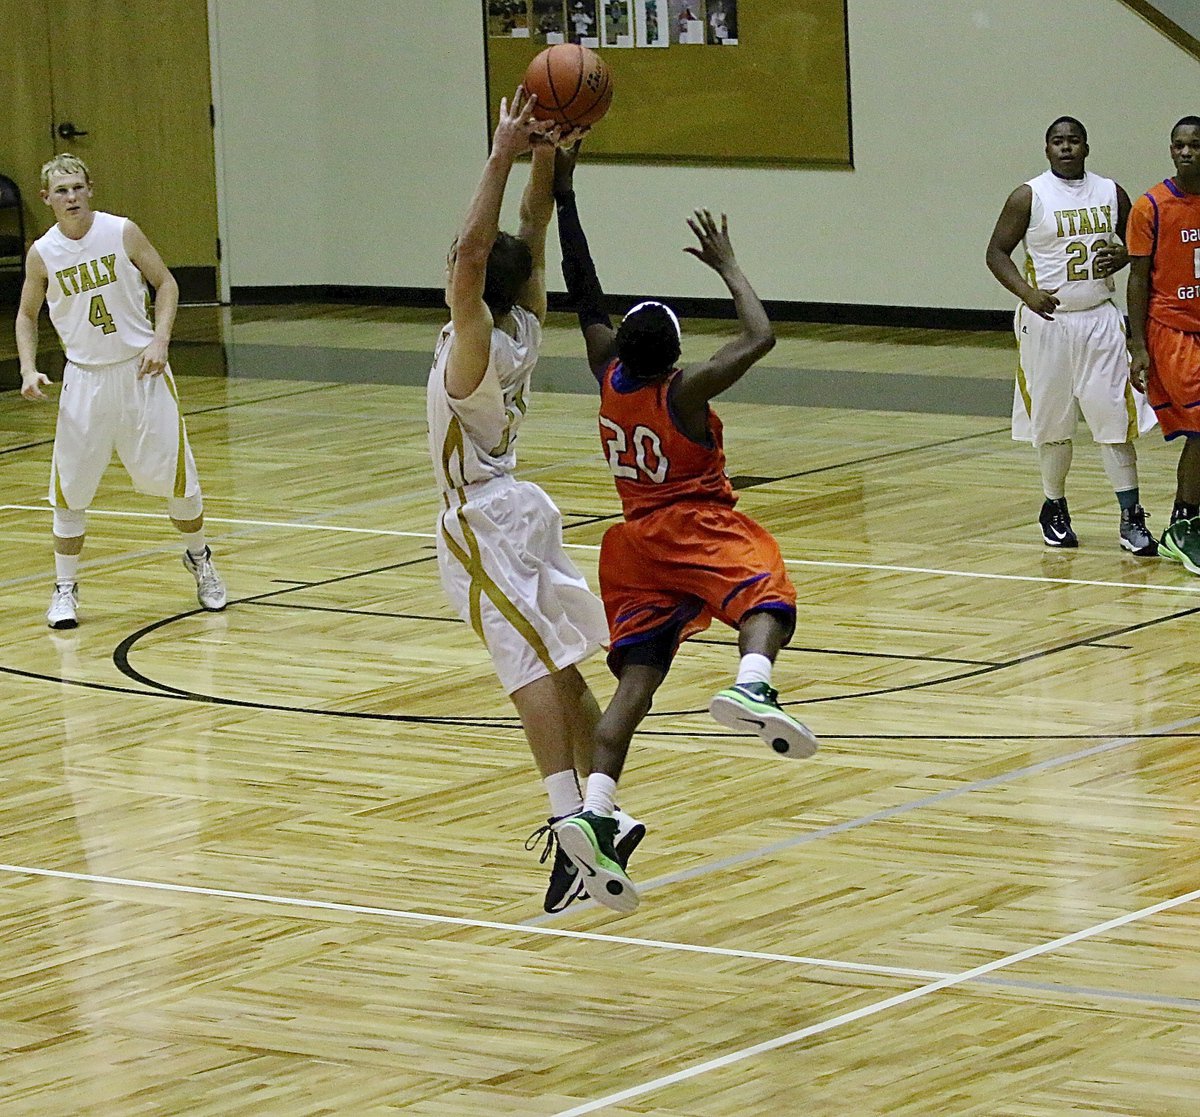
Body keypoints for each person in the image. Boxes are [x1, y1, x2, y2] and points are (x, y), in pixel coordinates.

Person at [551, 142, 818, 914]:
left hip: (632, 547)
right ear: (673, 357)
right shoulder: (683, 394)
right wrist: (729, 265)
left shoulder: (608, 372)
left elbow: (585, 294)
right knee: (767, 586)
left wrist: (567, 199)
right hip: (691, 523)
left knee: (638, 682)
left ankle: (596, 812)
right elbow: (760, 335)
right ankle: (753, 684)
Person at [426, 90, 643, 913]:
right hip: (519, 506)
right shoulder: (524, 320)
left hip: (482, 518)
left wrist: (501, 149)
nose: (454, 259)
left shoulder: (475, 335)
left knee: (526, 670)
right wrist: (546, 148)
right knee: (558, 662)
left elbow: (482, 247)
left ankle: (567, 826)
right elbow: (528, 226)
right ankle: (604, 814)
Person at [15, 153, 226, 629]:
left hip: (141, 374)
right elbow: (26, 316)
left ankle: (200, 558)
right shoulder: (42, 253)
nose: (70, 197)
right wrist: (28, 369)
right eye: (60, 190)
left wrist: (160, 339)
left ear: (90, 189)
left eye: (77, 188)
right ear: (46, 198)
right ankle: (65, 588)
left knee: (180, 490)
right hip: (84, 381)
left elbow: (166, 284)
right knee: (70, 494)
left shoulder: (121, 231)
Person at [985, 117, 1157, 556]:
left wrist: (1121, 258)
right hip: (1047, 323)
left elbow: (1137, 249)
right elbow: (995, 252)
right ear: (1047, 149)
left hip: (1100, 318)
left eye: (1073, 141)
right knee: (1053, 423)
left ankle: (1131, 517)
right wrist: (1027, 293)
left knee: (1114, 420)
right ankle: (1054, 506)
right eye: (1057, 142)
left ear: (1086, 146)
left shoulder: (1111, 192)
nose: (1066, 148)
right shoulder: (1028, 195)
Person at [1127, 116, 1200, 574]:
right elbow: (1137, 278)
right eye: (1179, 145)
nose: (1187, 151)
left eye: (1195, 144)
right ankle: (1182, 523)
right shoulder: (1151, 205)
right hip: (1171, 330)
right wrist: (1138, 346)